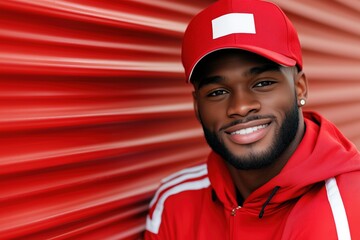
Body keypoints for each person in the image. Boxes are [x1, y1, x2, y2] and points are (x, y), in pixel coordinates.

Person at [144, 0, 360, 239]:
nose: (241, 106)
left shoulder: (352, 207)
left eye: (263, 83)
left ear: (299, 88)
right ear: (197, 106)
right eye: (217, 92)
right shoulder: (175, 202)